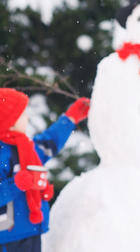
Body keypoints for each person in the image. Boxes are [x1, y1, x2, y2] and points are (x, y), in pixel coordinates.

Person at [0, 88, 90, 252]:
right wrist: (16, 184)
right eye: (22, 114)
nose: (27, 117)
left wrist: (70, 118)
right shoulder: (2, 155)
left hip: (31, 230)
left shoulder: (26, 149)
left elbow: (48, 143)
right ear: (10, 120)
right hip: (7, 237)